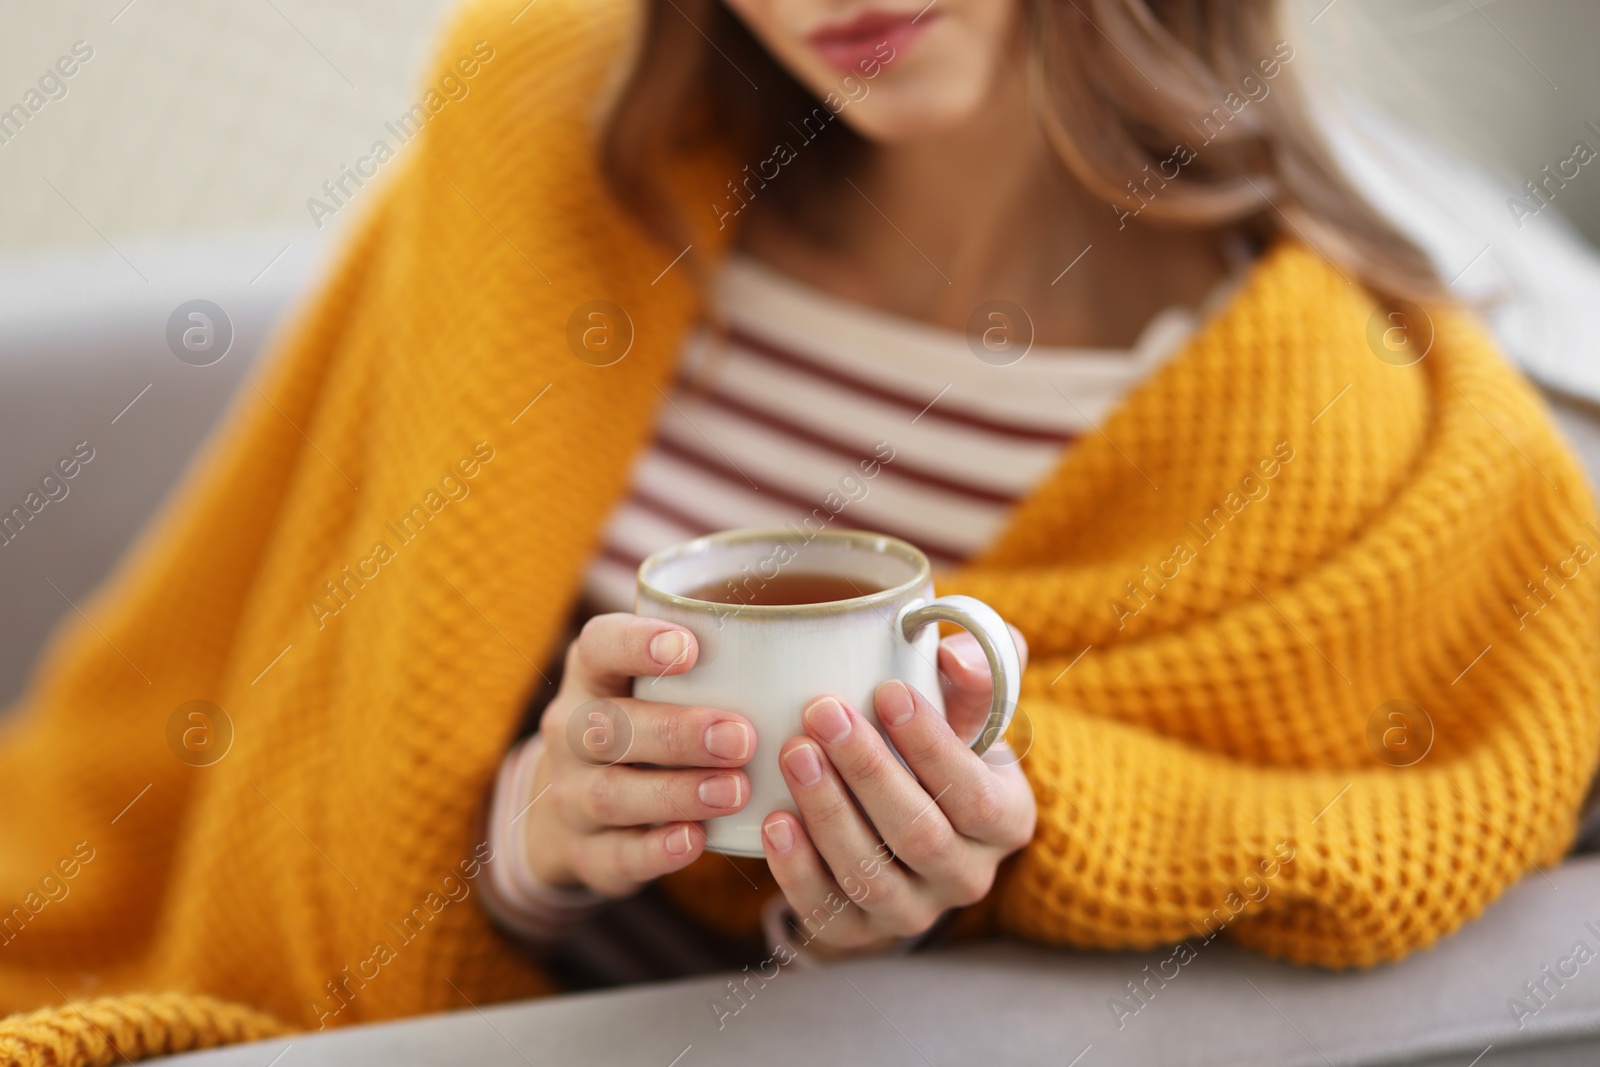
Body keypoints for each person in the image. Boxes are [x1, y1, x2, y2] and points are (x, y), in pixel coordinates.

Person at [0, 0, 1594, 1060]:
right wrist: (527, 843)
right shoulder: (552, 129)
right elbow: (315, 676)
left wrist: (894, 917)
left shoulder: (1327, 435)